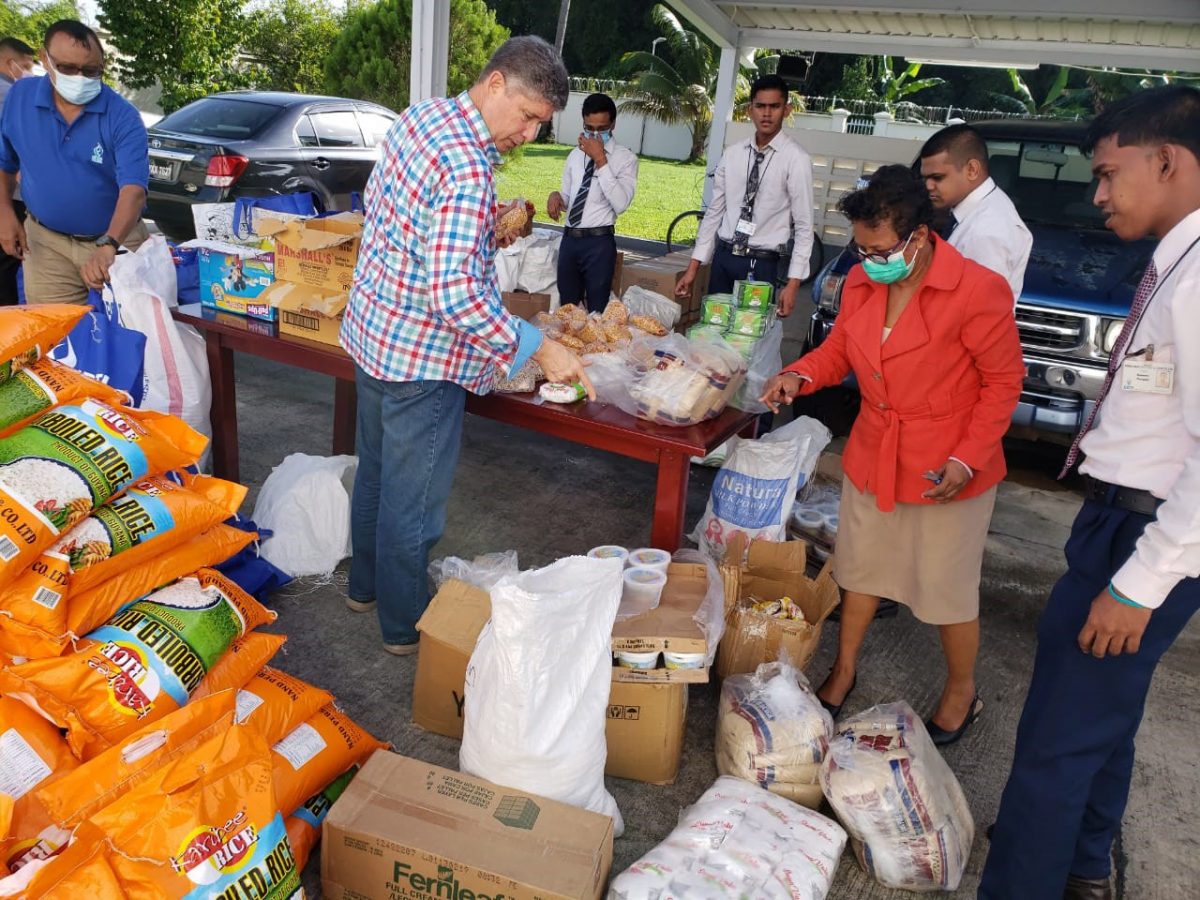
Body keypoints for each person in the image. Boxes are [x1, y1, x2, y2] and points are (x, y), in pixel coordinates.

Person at [981, 86, 1200, 900]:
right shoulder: (1175, 261)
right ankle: (1081, 859)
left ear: (1169, 161)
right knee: (1101, 719)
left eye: (1110, 174)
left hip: (1146, 540)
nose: (1098, 193)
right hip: (1124, 519)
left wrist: (1139, 585)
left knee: (1055, 744)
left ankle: (1027, 878)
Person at [340, 36, 593, 656]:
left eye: (542, 124)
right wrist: (539, 347)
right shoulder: (468, 165)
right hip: (422, 360)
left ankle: (365, 590)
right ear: (497, 84)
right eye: (529, 116)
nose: (530, 135)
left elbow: (392, 212)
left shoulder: (424, 116)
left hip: (375, 336)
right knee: (414, 505)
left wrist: (481, 229)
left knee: (375, 475)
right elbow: (454, 297)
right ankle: (404, 628)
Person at [759, 165, 1023, 742]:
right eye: (860, 246)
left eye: (879, 248)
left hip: (946, 463)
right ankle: (844, 668)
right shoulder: (861, 282)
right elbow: (839, 353)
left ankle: (961, 690)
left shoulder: (976, 290)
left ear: (920, 236)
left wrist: (967, 458)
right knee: (860, 571)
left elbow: (1004, 384)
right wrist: (799, 375)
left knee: (945, 588)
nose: (869, 258)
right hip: (878, 448)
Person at [0, 19, 149, 305]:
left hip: (116, 243)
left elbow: (133, 190)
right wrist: (4, 211)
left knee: (135, 337)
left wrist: (109, 244)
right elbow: (5, 162)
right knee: (55, 340)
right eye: (68, 68)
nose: (80, 78)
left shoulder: (122, 116)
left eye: (91, 71)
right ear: (45, 58)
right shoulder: (20, 98)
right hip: (46, 245)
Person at [677, 74, 813, 317]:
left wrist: (793, 284)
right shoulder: (733, 154)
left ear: (787, 110)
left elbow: (804, 226)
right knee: (713, 331)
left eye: (775, 106)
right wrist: (693, 268)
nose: (767, 114)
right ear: (750, 109)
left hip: (761, 265)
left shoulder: (796, 159)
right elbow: (714, 213)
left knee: (748, 338)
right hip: (724, 258)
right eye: (760, 106)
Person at [919, 123, 1032, 302]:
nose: (928, 186)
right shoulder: (979, 209)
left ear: (972, 170)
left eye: (938, 178)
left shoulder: (985, 233)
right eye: (925, 178)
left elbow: (976, 307)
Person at [547, 92, 637, 312]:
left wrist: (601, 160)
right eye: (590, 128)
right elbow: (570, 197)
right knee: (567, 310)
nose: (595, 134)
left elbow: (621, 203)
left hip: (599, 242)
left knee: (597, 311)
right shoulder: (574, 156)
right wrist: (557, 197)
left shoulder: (626, 159)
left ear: (613, 125)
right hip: (570, 240)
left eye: (601, 129)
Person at [0, 36, 36, 306]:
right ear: (9, 63)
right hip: (10, 197)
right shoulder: (9, 95)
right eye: (25, 66)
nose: (29, 73)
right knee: (7, 268)